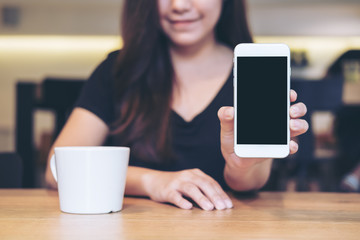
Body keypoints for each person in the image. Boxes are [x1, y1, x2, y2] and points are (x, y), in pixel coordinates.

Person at [45, 0, 308, 210]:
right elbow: (57, 169)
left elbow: (248, 184)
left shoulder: (256, 75)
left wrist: (242, 166)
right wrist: (151, 181)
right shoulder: (117, 71)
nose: (179, 4)